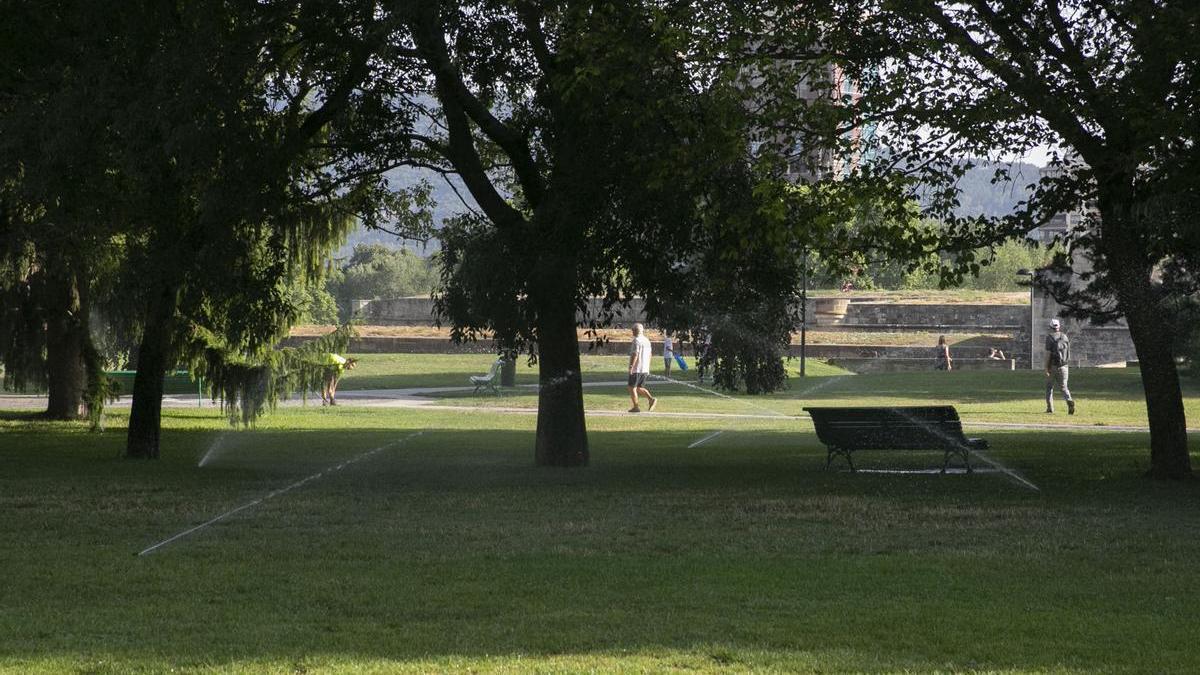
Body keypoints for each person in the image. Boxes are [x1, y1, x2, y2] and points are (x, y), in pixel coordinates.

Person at [1044, 318, 1075, 414]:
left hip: (1053, 366)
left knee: (1049, 387)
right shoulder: (1065, 337)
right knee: (1064, 387)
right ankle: (1069, 400)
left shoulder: (1049, 338)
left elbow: (1048, 354)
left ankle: (1050, 408)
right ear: (1059, 327)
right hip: (1064, 366)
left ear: (1050, 327)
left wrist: (1046, 367)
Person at [627, 323, 656, 412]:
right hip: (644, 368)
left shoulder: (636, 340)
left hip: (637, 368)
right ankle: (651, 399)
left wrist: (631, 366)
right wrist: (648, 367)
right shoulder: (647, 340)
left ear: (636, 331)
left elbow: (635, 354)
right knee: (639, 388)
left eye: (633, 330)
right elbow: (650, 354)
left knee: (631, 387)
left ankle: (636, 407)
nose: (632, 332)